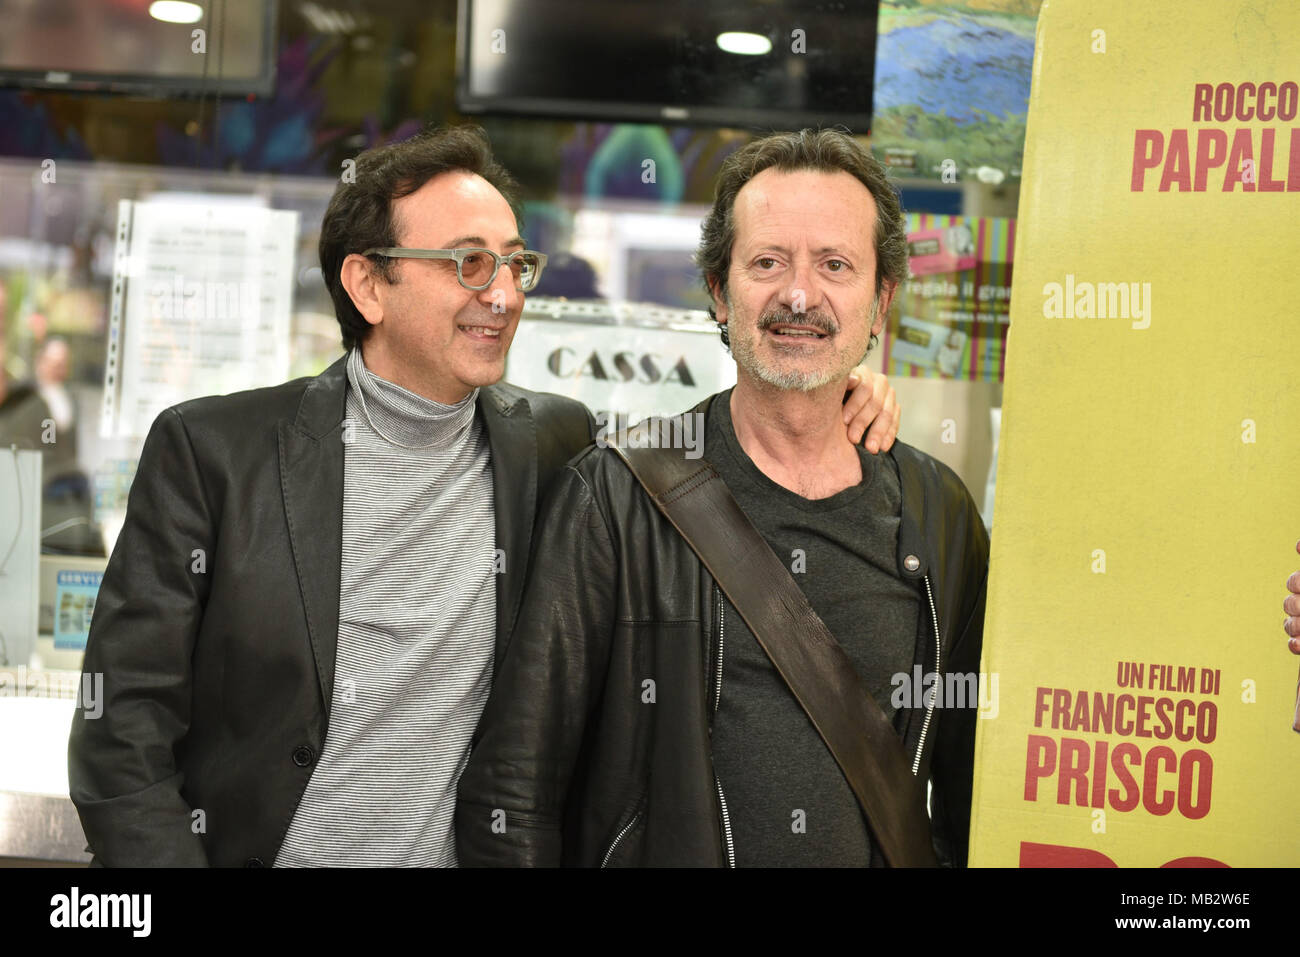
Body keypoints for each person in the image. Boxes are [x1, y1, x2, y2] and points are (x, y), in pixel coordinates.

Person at [67, 125, 901, 867]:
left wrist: (839, 388)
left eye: (514, 263)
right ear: (367, 285)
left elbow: (722, 437)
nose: (504, 294)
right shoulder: (215, 452)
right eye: (468, 263)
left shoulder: (553, 445)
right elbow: (121, 732)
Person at [456, 129, 988, 867]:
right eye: (767, 262)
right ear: (718, 289)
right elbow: (513, 791)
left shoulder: (942, 516)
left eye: (835, 265)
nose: (800, 295)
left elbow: (971, 796)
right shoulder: (614, 499)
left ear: (881, 299)